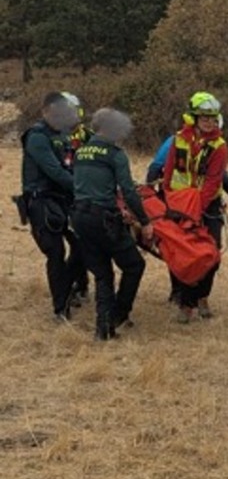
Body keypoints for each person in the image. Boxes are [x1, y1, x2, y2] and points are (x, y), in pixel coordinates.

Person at [71, 108, 154, 340]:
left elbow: (86, 185)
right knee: (134, 265)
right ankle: (119, 314)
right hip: (104, 220)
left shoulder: (81, 152)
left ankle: (103, 329)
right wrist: (144, 221)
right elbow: (128, 190)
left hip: (80, 217)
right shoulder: (115, 154)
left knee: (102, 274)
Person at [162, 91, 228, 323]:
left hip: (207, 206)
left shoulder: (219, 147)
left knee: (212, 253)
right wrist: (167, 196)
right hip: (179, 204)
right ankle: (186, 304)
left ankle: (202, 296)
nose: (209, 123)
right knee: (183, 253)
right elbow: (169, 169)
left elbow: (212, 182)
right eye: (204, 118)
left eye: (213, 118)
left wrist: (197, 209)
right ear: (194, 118)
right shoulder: (179, 139)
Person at [20, 92, 86, 321]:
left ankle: (70, 288)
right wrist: (82, 188)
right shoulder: (37, 137)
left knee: (82, 246)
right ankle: (61, 308)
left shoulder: (63, 135)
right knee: (56, 252)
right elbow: (54, 171)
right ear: (46, 111)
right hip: (42, 202)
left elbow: (70, 166)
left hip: (63, 200)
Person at [146, 131, 228, 222]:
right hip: (197, 203)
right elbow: (223, 179)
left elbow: (155, 168)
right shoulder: (209, 147)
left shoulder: (175, 141)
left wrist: (152, 197)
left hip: (175, 200)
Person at [62, 91, 94, 307]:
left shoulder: (88, 136)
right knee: (77, 244)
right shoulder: (54, 139)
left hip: (85, 199)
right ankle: (71, 287)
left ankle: (80, 286)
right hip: (63, 199)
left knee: (82, 244)